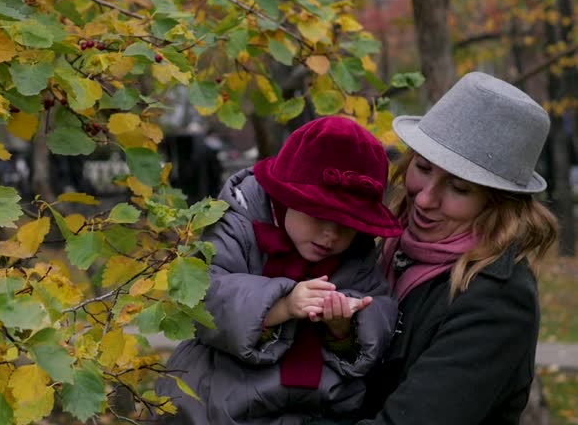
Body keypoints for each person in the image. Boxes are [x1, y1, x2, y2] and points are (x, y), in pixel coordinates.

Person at [156, 116, 403, 424]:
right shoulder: (238, 222)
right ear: (285, 198)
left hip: (318, 407)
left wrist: (344, 328)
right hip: (220, 400)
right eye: (319, 217)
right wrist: (281, 304)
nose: (331, 235)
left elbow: (379, 307)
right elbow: (206, 293)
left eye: (346, 226)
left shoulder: (357, 253)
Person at [353, 71, 559, 424]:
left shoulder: (497, 300)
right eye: (422, 167)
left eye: (459, 189)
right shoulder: (382, 248)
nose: (425, 198)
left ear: (498, 204)